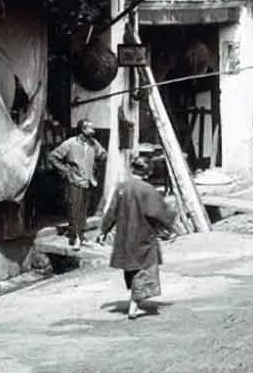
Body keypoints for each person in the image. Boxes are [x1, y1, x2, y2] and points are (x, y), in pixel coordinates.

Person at [96, 154, 177, 320]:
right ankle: (133, 307)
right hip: (142, 234)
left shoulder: (121, 187)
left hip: (125, 235)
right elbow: (160, 212)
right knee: (144, 269)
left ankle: (134, 303)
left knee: (133, 269)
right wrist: (170, 227)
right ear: (147, 173)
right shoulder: (146, 189)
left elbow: (111, 212)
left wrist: (103, 231)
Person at [48, 118, 107, 250]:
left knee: (84, 210)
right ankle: (74, 238)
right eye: (90, 128)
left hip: (89, 182)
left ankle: (81, 235)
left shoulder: (93, 143)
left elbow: (102, 154)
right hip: (75, 181)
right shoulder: (70, 143)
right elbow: (53, 156)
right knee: (74, 210)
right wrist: (66, 171)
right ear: (83, 129)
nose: (94, 130)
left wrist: (100, 158)